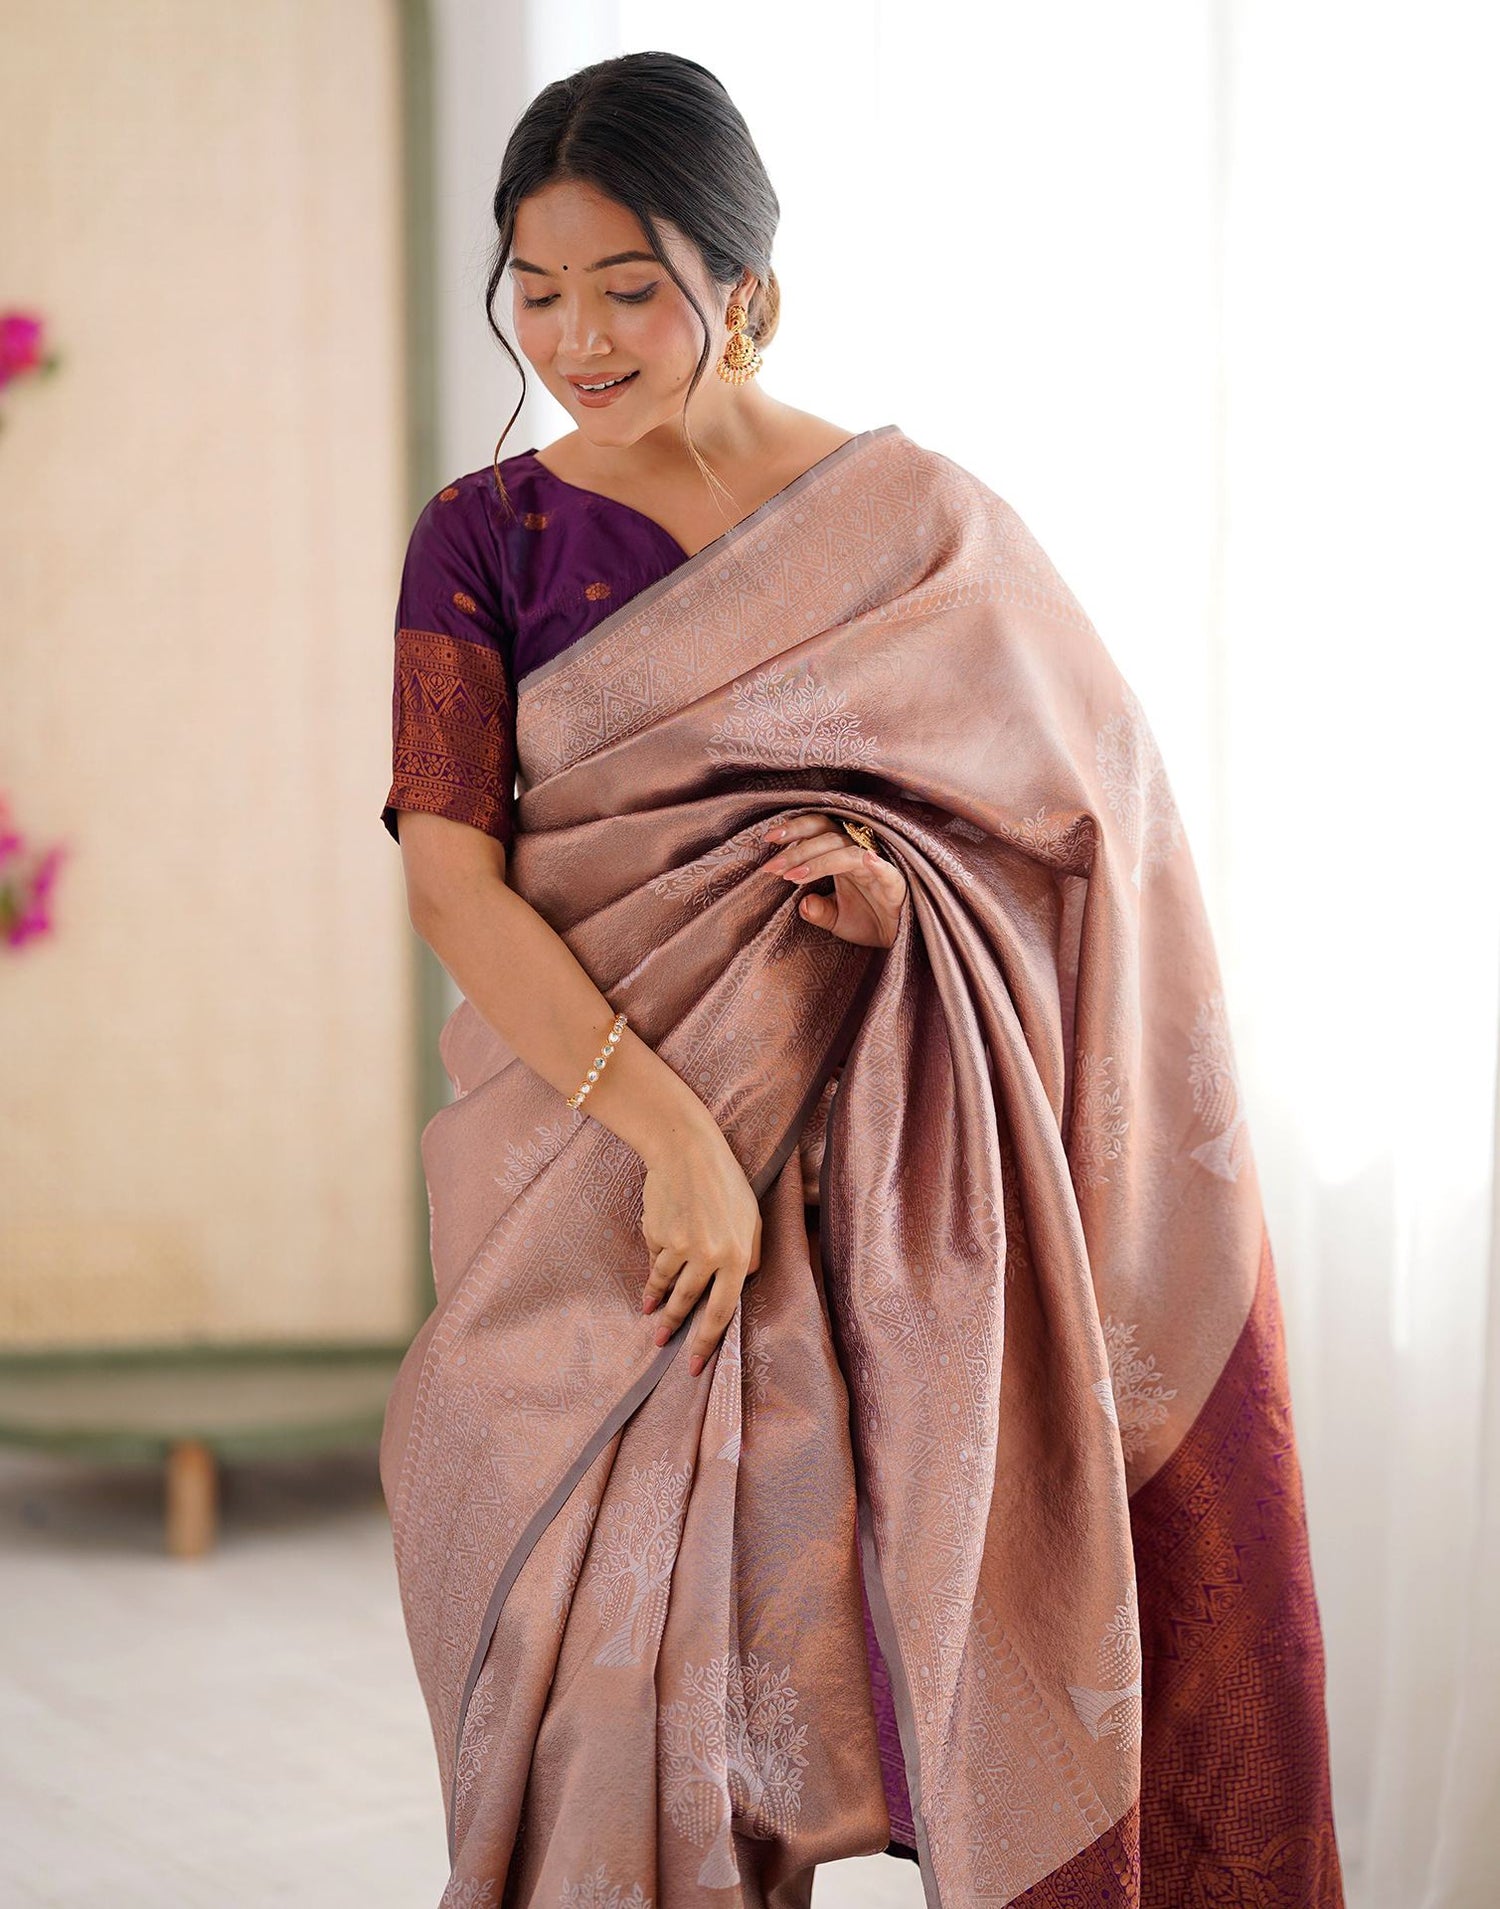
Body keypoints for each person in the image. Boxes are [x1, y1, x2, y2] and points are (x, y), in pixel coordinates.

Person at [377, 50, 1345, 1909]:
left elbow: (1093, 843)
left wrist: (914, 903)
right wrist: (670, 1133)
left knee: (888, 1655)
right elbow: (453, 879)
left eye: (628, 286)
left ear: (744, 286)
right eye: (538, 288)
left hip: (909, 1191)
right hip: (599, 1179)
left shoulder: (923, 530)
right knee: (605, 1681)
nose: (575, 338)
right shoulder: (480, 540)